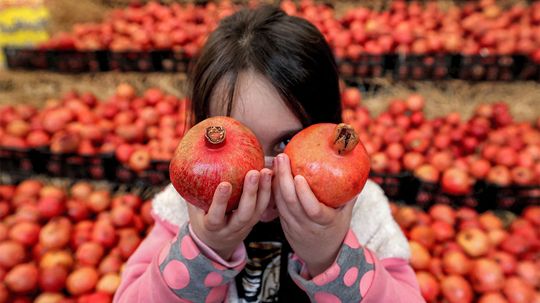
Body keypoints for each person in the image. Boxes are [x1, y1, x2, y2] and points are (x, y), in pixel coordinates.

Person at [114, 5, 424, 303]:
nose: (260, 176)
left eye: (286, 143)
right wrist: (205, 247)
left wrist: (330, 255)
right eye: (238, 140)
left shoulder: (361, 212)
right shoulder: (185, 210)